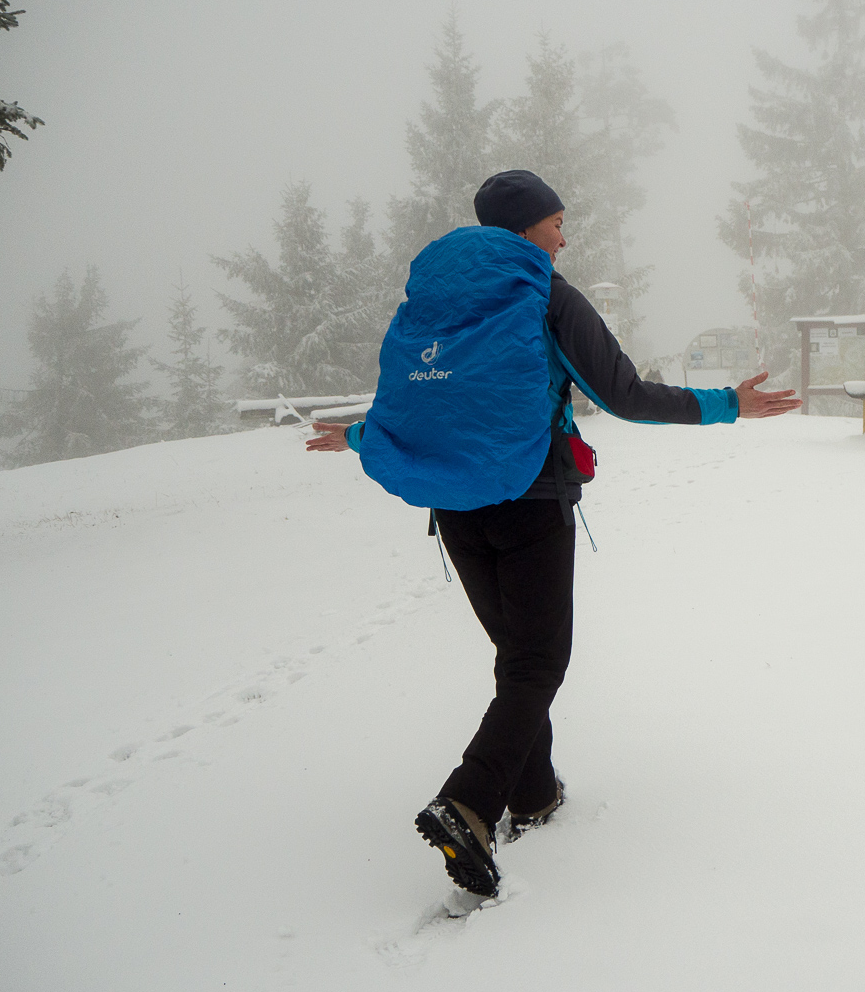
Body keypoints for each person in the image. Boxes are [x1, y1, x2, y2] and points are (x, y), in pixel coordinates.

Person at [307, 169, 799, 897]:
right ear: (526, 225)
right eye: (557, 222)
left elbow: (422, 398)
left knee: (518, 656)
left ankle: (533, 797)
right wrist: (726, 404)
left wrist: (358, 437)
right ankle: (469, 802)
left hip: (455, 507)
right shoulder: (543, 294)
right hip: (530, 499)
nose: (564, 237)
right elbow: (622, 394)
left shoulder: (436, 298)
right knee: (539, 661)